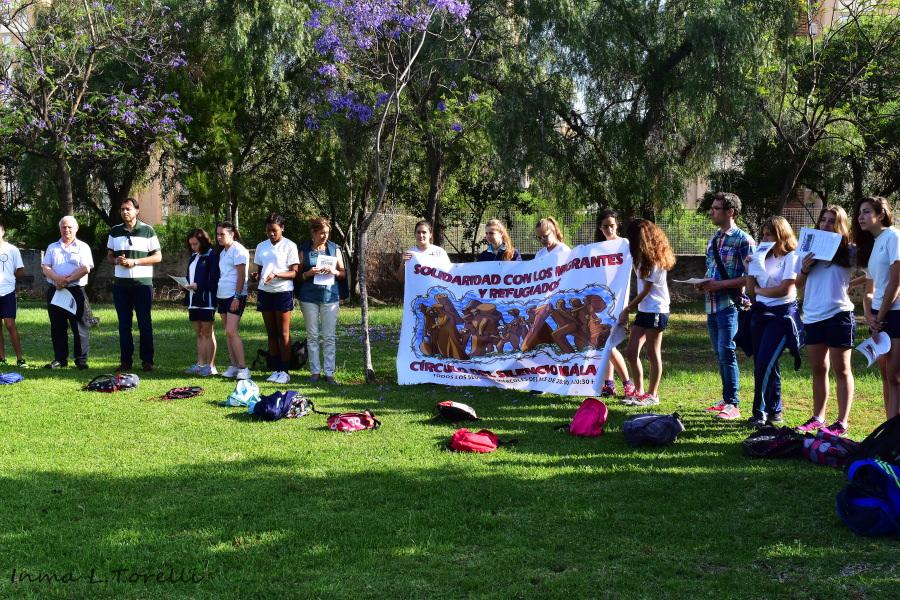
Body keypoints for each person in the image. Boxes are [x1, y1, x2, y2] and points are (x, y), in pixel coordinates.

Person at [795, 206, 856, 436]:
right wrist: (804, 268)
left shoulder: (849, 251)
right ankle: (818, 417)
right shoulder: (809, 249)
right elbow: (798, 284)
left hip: (838, 315)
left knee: (842, 370)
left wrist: (859, 286)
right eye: (824, 220)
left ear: (840, 225)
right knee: (819, 368)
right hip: (812, 315)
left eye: (832, 221)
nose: (826, 225)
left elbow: (872, 272)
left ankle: (841, 422)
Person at [696, 192, 756, 420]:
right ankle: (725, 398)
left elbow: (751, 278)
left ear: (730, 212)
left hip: (730, 305)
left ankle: (733, 403)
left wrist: (719, 285)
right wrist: (702, 284)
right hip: (711, 304)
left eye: (716, 208)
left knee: (726, 352)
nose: (711, 212)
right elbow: (711, 271)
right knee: (719, 353)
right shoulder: (713, 239)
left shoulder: (744, 240)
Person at [744, 216, 802, 427]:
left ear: (781, 235)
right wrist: (749, 268)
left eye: (769, 234)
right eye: (763, 234)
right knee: (765, 362)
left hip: (781, 316)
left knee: (764, 363)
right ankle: (774, 410)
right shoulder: (763, 257)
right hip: (760, 314)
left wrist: (759, 291)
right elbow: (750, 292)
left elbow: (785, 289)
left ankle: (759, 413)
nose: (764, 238)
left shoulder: (791, 258)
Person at [617, 219, 676, 407]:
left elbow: (645, 291)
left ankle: (653, 394)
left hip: (656, 311)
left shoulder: (654, 260)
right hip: (644, 311)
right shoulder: (639, 257)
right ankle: (639, 391)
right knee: (631, 351)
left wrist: (627, 309)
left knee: (653, 353)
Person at [853, 196, 900, 419]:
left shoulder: (893, 237)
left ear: (880, 215)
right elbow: (870, 289)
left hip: (895, 314)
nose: (860, 216)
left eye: (866, 211)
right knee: (886, 375)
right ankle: (889, 431)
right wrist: (868, 314)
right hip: (879, 318)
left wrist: (879, 318)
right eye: (859, 212)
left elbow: (896, 283)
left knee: (894, 376)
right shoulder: (873, 244)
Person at [106, 198, 162, 372]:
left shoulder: (148, 230)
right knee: (124, 325)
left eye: (128, 209)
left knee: (145, 323)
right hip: (121, 286)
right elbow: (109, 256)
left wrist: (134, 262)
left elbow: (157, 257)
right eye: (122, 209)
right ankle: (125, 361)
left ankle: (147, 361)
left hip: (142, 285)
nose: (124, 212)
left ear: (137, 210)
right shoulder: (115, 231)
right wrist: (116, 260)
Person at [40, 216, 94, 369]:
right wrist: (58, 280)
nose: (67, 230)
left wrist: (66, 281)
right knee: (57, 327)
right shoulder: (52, 247)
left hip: (76, 291)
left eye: (70, 227)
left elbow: (85, 268)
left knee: (79, 327)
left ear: (76, 228)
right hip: (56, 291)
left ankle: (81, 361)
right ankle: (60, 359)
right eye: (64, 227)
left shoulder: (83, 247)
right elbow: (46, 268)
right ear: (60, 229)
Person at [298, 217, 346, 384]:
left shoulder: (334, 249)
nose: (325, 236)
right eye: (321, 233)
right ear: (313, 232)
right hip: (309, 297)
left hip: (330, 297)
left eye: (327, 233)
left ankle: (329, 373)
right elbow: (298, 275)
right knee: (312, 336)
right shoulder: (304, 249)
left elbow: (343, 273)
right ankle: (315, 371)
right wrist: (308, 273)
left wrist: (334, 271)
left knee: (329, 336)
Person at [595, 209, 637, 399]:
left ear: (617, 225)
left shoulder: (624, 244)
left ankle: (628, 383)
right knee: (605, 342)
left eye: (612, 225)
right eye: (605, 226)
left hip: (618, 300)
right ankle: (609, 383)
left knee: (608, 343)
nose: (609, 229)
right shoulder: (597, 248)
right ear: (600, 227)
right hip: (600, 301)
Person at [254, 213, 300, 384]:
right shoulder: (261, 247)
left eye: (274, 230)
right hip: (265, 292)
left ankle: (285, 370)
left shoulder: (290, 246)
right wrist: (255, 276)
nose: (271, 234)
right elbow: (260, 271)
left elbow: (294, 272)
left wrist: (277, 274)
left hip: (283, 292)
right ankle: (274, 369)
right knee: (271, 333)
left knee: (283, 333)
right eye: (268, 231)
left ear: (282, 228)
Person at [215, 222, 250, 380]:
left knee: (231, 330)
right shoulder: (223, 252)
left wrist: (237, 296)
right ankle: (234, 365)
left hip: (235, 295)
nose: (219, 237)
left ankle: (243, 367)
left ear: (232, 234)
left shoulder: (239, 250)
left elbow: (241, 276)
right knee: (227, 333)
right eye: (218, 234)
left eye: (222, 234)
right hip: (222, 294)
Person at [183, 228, 219, 377]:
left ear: (203, 241)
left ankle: (211, 366)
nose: (193, 247)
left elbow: (215, 280)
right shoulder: (193, 257)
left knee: (207, 332)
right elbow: (190, 276)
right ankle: (200, 364)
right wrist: (185, 283)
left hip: (207, 299)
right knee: (198, 333)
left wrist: (199, 286)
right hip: (193, 299)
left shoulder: (212, 255)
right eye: (191, 244)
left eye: (195, 244)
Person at [0, 221, 27, 367]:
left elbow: (21, 270)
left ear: (3, 231)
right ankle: (1, 358)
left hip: (7, 291)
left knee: (10, 325)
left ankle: (20, 359)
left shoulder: (12, 249)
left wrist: (9, 277)